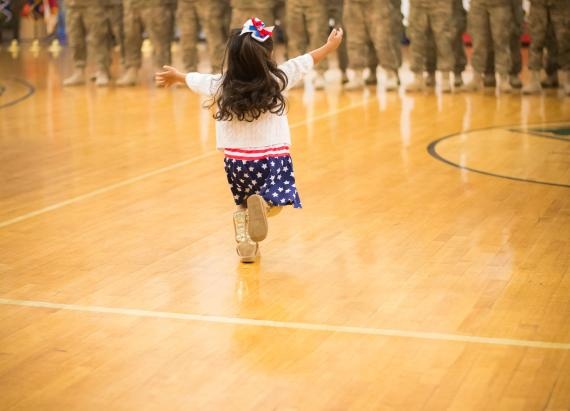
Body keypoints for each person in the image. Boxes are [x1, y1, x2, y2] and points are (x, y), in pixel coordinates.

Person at [155, 18, 343, 262]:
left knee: (243, 204)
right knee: (276, 197)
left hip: (237, 163)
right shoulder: (278, 80)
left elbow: (198, 80)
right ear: (268, 54)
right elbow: (304, 62)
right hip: (270, 158)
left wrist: (178, 76)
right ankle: (264, 206)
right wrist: (329, 47)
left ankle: (247, 244)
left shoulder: (222, 85)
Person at [464, 0, 513, 92]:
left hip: (499, 4)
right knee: (478, 42)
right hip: (478, 4)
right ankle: (476, 78)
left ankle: (503, 79)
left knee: (501, 41)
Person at [522, 0, 570, 95]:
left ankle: (568, 80)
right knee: (536, 39)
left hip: (561, 5)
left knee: (564, 40)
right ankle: (535, 80)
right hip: (538, 4)